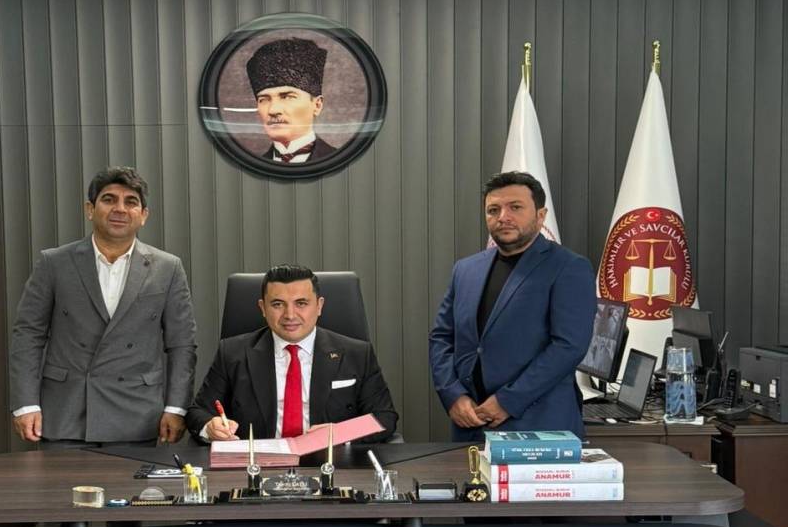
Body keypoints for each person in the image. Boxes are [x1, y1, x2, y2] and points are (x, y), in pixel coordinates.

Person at [9, 166, 196, 448]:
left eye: (131, 202)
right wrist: (26, 404)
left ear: (144, 215)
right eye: (109, 199)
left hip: (137, 416)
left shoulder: (167, 268)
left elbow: (182, 344)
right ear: (90, 209)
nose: (120, 209)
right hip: (65, 414)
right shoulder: (54, 263)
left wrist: (176, 408)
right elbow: (28, 335)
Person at [429, 171, 595, 442]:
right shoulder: (466, 269)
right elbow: (442, 337)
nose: (503, 217)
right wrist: (453, 395)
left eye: (515, 207)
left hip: (539, 427)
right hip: (470, 424)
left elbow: (568, 346)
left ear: (541, 215)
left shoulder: (568, 267)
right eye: (493, 210)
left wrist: (507, 401)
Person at [186, 265, 397, 443]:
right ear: (263, 308)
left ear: (319, 306)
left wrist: (340, 433)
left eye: (301, 303)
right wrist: (210, 427)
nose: (289, 315)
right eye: (278, 304)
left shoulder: (357, 354)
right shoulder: (232, 353)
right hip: (257, 464)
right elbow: (198, 413)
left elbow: (384, 417)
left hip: (332, 461)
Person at [246, 38, 337, 163]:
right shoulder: (250, 166)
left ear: (317, 105)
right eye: (264, 99)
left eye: (287, 97)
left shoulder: (343, 161)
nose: (273, 110)